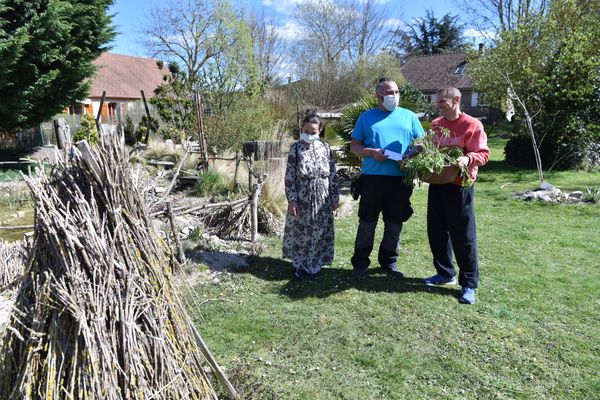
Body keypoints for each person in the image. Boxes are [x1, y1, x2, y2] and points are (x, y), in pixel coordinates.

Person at [350, 77, 425, 280]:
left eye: (397, 92)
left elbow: (421, 143)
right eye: (390, 92)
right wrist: (372, 152)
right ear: (378, 96)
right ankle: (360, 263)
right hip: (372, 179)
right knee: (367, 222)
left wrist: (411, 155)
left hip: (399, 180)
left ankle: (389, 262)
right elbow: (354, 146)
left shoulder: (409, 116)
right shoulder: (366, 117)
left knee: (394, 223)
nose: (394, 96)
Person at [423, 85, 490, 304]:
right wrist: (416, 152)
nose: (438, 105)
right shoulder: (436, 124)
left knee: (463, 236)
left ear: (456, 100)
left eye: (442, 101)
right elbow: (427, 148)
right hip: (438, 183)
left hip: (460, 185)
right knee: (437, 231)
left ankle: (469, 284)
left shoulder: (472, 125)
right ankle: (445, 273)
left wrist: (468, 158)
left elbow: (483, 153)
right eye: (438, 102)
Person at [283, 113, 339, 280]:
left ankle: (314, 264)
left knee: (320, 232)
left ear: (320, 130)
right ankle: (300, 265)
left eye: (313, 132)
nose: (309, 134)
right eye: (306, 130)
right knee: (302, 233)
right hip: (303, 199)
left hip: (323, 199)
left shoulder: (326, 148)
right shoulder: (295, 148)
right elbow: (289, 176)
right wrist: (292, 199)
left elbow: (333, 175)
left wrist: (335, 198)